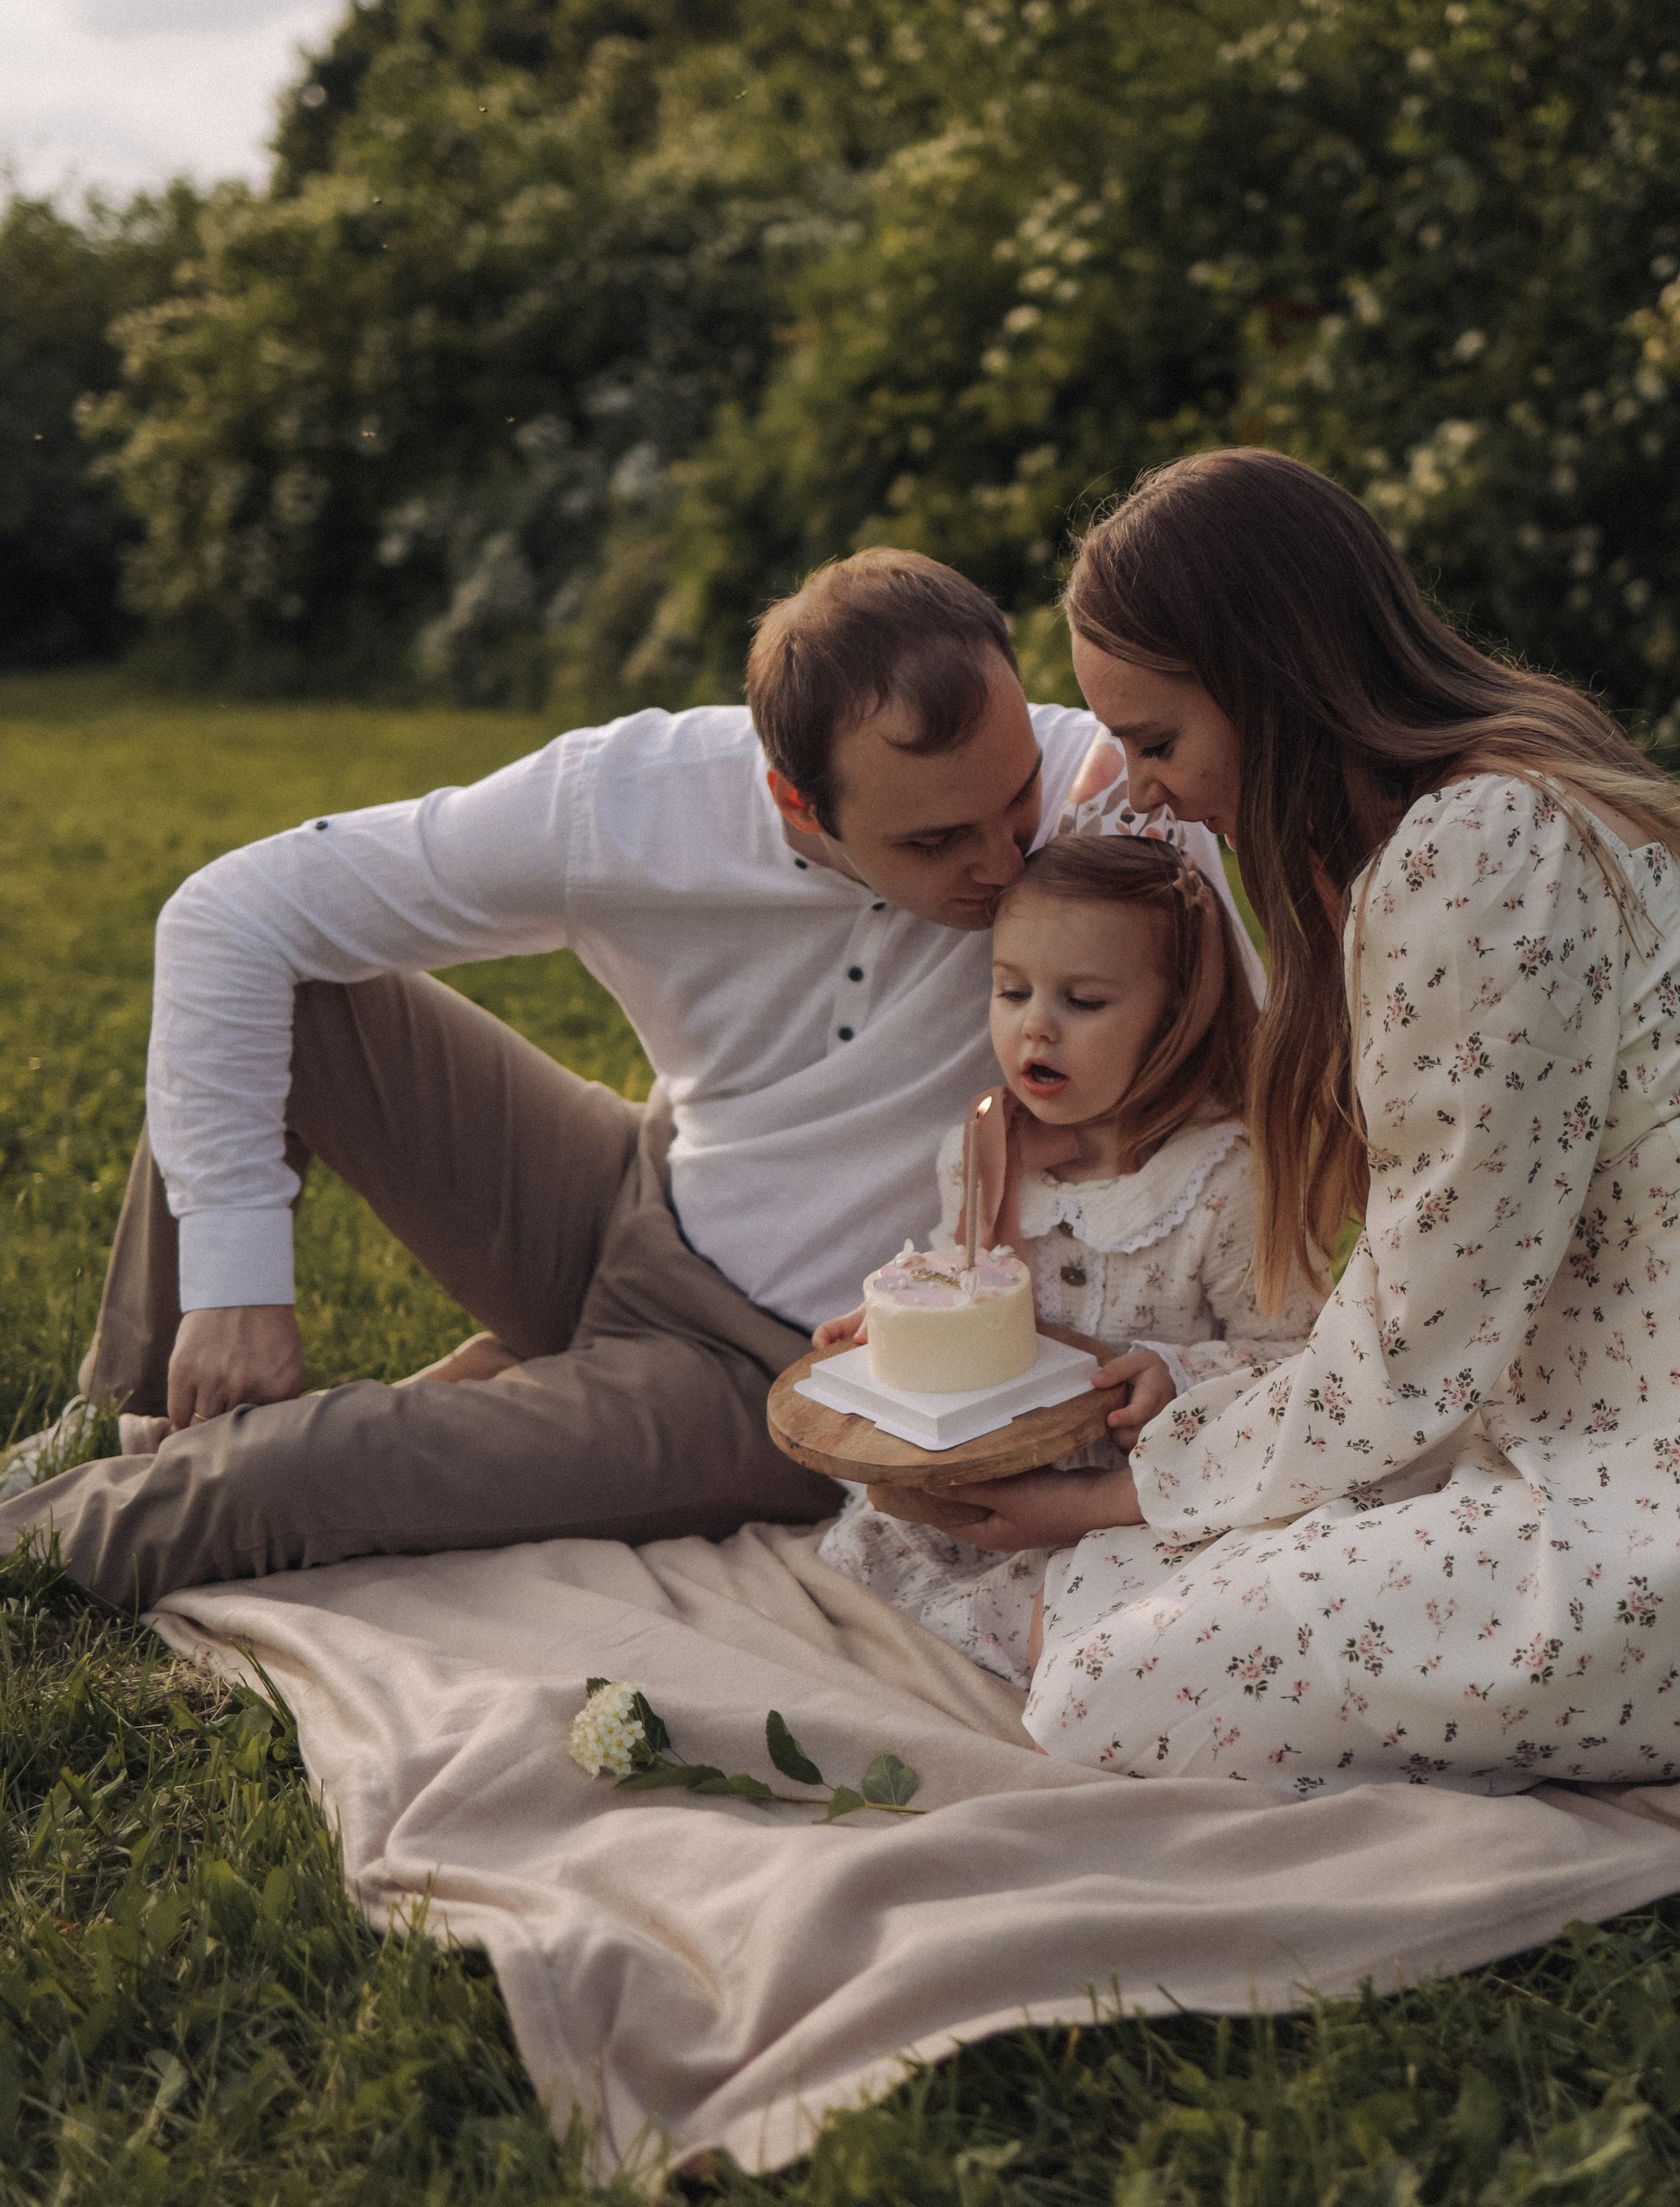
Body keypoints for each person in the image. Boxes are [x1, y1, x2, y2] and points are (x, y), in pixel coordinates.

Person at [922, 448, 1680, 1814]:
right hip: (1658, 1391)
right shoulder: (1451, 826)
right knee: (1184, 1600)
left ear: (1272, 685)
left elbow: (1432, 1329)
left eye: (1156, 739)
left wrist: (1124, 1492)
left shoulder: (1475, 851)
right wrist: (1200, 1395)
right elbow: (1451, 1283)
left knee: (1111, 1688)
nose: (1131, 788)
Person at [2, 549, 1242, 1612]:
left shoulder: (1109, 820)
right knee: (292, 991)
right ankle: (125, 1412)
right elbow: (232, 914)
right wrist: (235, 1285)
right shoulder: (629, 803)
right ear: (794, 801)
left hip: (762, 1373)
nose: (1003, 855)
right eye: (932, 840)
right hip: (621, 1195)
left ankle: (47, 1529)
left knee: (298, 1477)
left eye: (1014, 790)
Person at [809, 833, 1323, 1681]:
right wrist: (902, 1319)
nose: (1034, 1024)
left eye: (1083, 1000)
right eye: (1011, 990)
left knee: (1144, 1612)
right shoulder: (984, 1148)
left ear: (1176, 1018)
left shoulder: (1229, 1181)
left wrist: (1177, 1371)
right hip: (1001, 1478)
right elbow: (963, 1277)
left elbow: (1303, 1359)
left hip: (1148, 1495)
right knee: (884, 1537)